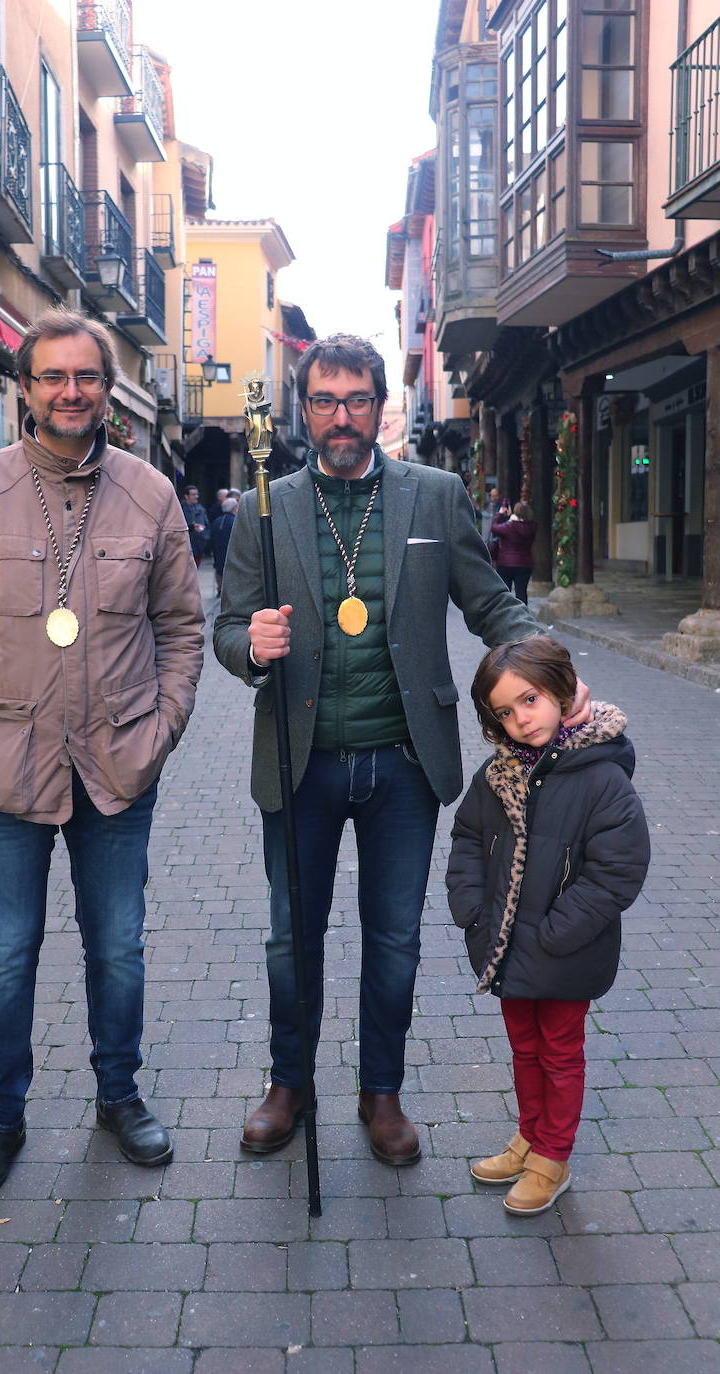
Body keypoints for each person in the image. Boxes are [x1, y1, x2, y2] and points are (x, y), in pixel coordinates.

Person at [213, 333, 590, 1166]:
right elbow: (226, 626)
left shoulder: (435, 495)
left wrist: (551, 679)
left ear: (380, 407)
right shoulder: (262, 508)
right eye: (324, 400)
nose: (341, 416)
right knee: (290, 936)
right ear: (303, 408)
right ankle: (290, 1084)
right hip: (298, 759)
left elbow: (491, 604)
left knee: (394, 940)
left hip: (403, 764)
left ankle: (381, 1093)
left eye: (356, 400)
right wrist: (252, 644)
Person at [0, 306, 204, 1201]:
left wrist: (163, 727)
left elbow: (182, 627)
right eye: (53, 377)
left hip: (117, 767)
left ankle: (119, 1095)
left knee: (117, 948)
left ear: (107, 389)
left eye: (87, 377)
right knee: (5, 953)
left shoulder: (150, 494)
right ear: (26, 388)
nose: (71, 392)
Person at [446, 637, 649, 1214]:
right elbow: (465, 839)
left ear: (563, 692)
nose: (520, 719)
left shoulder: (602, 779)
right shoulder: (499, 774)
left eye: (529, 700)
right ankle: (529, 1135)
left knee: (559, 1052)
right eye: (504, 712)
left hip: (565, 951)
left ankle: (552, 1157)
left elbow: (616, 873)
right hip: (505, 945)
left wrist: (556, 933)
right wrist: (472, 911)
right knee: (523, 1047)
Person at [491, 500, 537, 604]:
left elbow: (494, 528)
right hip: (525, 564)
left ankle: (506, 616)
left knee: (505, 593)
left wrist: (499, 514)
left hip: (506, 564)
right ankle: (523, 616)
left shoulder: (509, 526)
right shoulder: (532, 527)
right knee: (521, 593)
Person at [210, 496, 238, 596]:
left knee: (219, 569)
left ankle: (220, 589)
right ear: (234, 508)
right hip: (230, 550)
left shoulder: (217, 521)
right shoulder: (235, 520)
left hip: (218, 550)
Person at [181, 485, 211, 567]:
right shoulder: (181, 509)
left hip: (198, 545)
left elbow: (206, 525)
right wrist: (192, 526)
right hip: (185, 545)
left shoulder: (201, 509)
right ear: (186, 496)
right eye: (193, 495)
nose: (196, 497)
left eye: (197, 494)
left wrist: (205, 537)